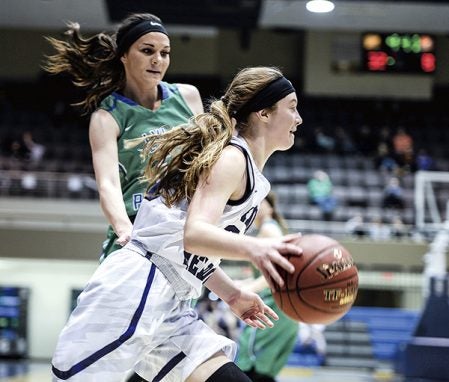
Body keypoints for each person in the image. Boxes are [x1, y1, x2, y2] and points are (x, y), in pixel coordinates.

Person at [51, 66, 304, 382]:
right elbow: (194, 235)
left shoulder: (247, 169)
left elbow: (192, 253)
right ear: (264, 113)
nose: (299, 119)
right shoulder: (232, 159)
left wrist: (232, 294)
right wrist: (256, 247)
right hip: (135, 288)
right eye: (292, 107)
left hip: (172, 302)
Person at [44, 13, 203, 260]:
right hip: (136, 229)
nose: (158, 60)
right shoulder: (107, 117)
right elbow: (107, 183)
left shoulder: (189, 97)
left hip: (184, 232)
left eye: (165, 53)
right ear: (124, 55)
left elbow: (206, 165)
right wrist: (123, 229)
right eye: (147, 51)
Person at [236, 192, 299, 382]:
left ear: (270, 208)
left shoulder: (269, 229)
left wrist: (243, 291)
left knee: (249, 368)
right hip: (286, 309)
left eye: (260, 202)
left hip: (272, 308)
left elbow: (277, 273)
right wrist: (243, 284)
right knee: (264, 374)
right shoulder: (273, 229)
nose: (254, 205)